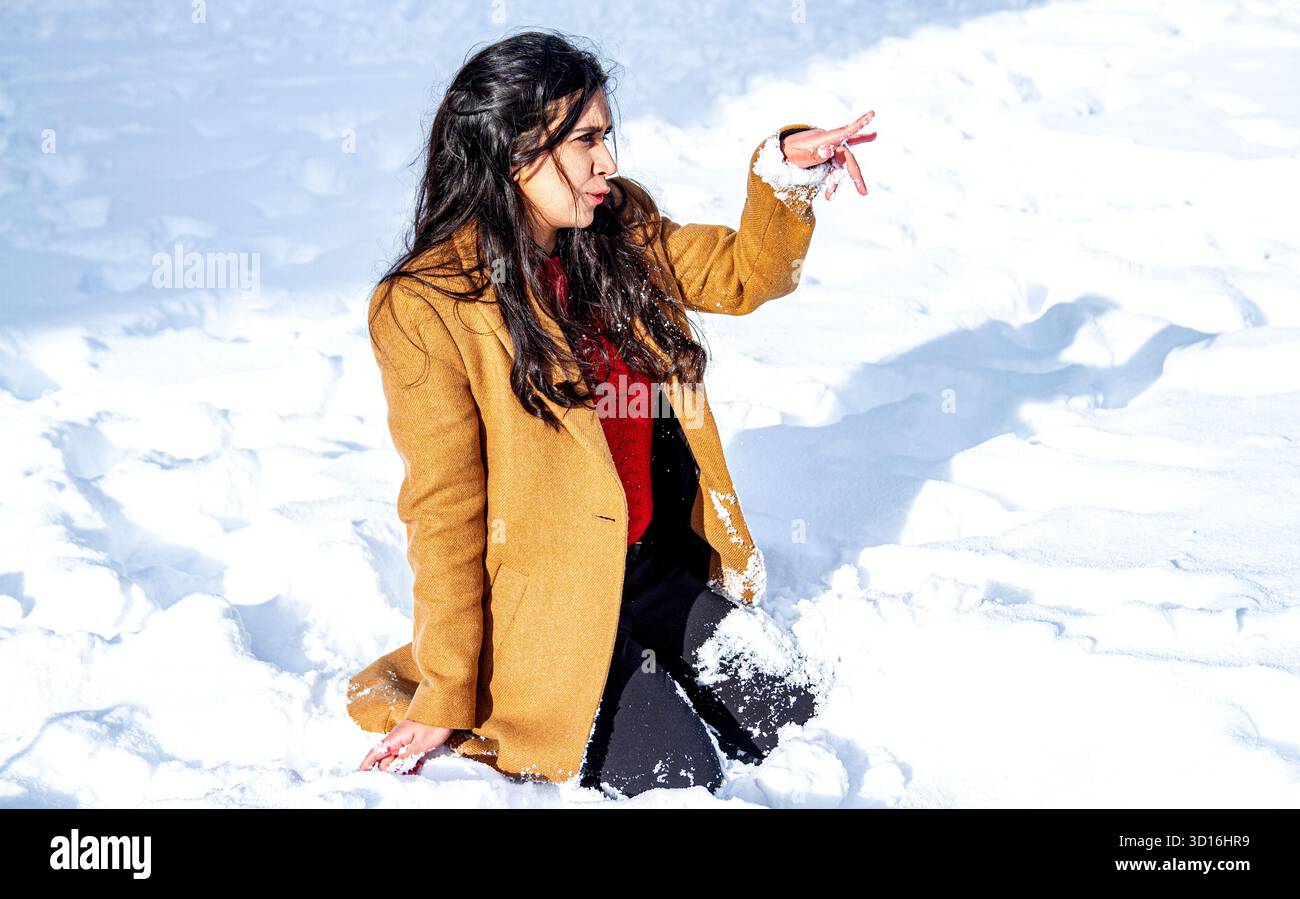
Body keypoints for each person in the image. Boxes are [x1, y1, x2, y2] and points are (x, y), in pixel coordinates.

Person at [350, 28, 876, 797]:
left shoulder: (614, 229)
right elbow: (445, 510)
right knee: (683, 776)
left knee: (792, 710)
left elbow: (742, 275)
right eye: (587, 139)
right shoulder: (428, 305)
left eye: (608, 134)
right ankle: (517, 706)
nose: (609, 162)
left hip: (640, 568)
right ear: (515, 150)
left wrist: (784, 171)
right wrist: (448, 691)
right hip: (545, 604)